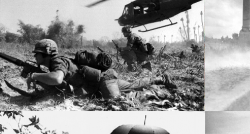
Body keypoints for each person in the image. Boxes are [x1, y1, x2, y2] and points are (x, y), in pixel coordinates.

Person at [25, 39, 175, 100]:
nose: (35, 56)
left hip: (103, 80)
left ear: (46, 53)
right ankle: (160, 78)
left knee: (116, 101)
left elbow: (57, 78)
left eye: (37, 53)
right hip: (99, 79)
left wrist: (35, 75)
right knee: (132, 85)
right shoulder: (55, 63)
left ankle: (158, 91)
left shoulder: (57, 61)